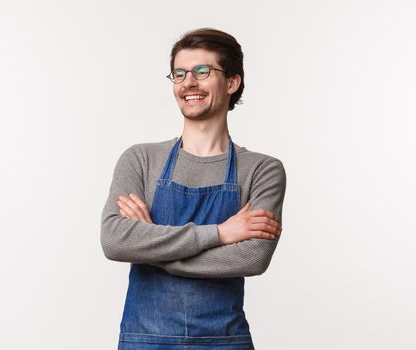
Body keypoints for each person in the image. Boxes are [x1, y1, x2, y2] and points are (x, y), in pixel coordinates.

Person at [101, 28, 286, 350]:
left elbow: (251, 259)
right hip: (145, 339)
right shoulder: (141, 159)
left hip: (224, 340)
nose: (188, 83)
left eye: (202, 71)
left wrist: (150, 242)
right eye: (179, 74)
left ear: (232, 82)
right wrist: (220, 234)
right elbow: (115, 241)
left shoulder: (262, 169)